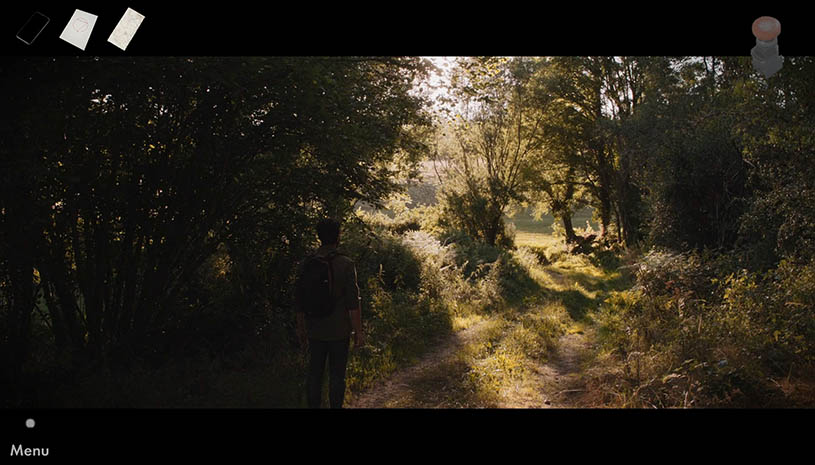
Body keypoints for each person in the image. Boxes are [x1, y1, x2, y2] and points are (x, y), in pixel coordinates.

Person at [295, 218, 364, 408]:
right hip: (339, 331)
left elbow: (299, 301)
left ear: (319, 236)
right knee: (337, 376)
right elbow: (353, 302)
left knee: (314, 375)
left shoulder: (306, 263)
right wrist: (358, 331)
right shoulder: (346, 263)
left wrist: (301, 329)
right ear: (338, 236)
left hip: (314, 329)